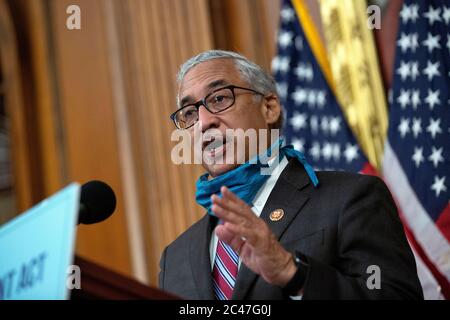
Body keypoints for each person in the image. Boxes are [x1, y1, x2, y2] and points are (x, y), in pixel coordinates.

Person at [159, 50, 423, 300]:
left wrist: (292, 272)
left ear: (270, 107)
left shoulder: (351, 198)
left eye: (219, 98)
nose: (204, 122)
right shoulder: (175, 257)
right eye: (190, 113)